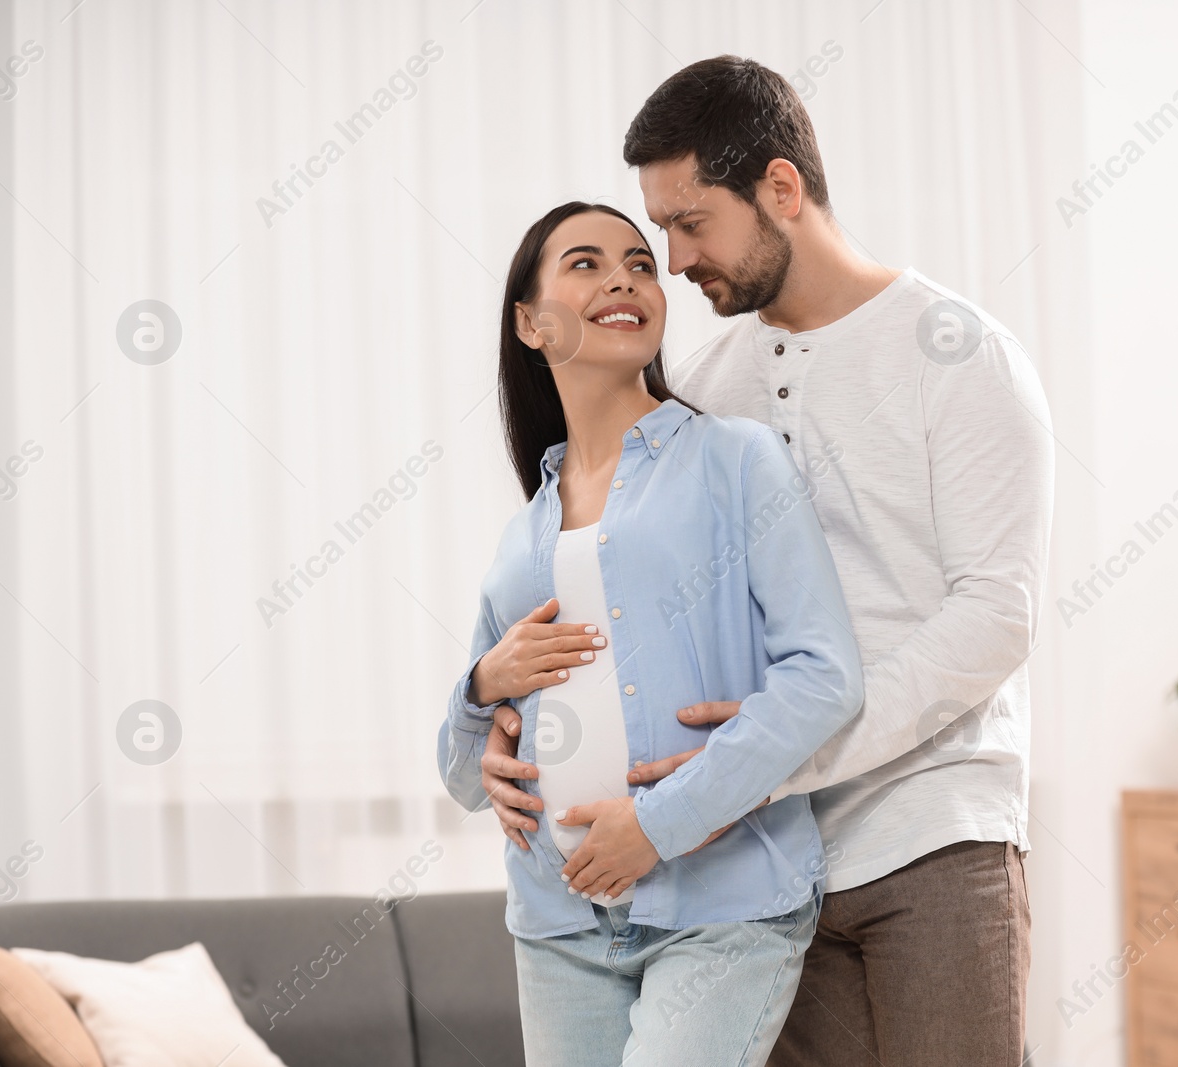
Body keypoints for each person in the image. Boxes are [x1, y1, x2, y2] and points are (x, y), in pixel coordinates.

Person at [483, 57, 1056, 1065]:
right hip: (760, 866)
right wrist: (504, 717)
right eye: (659, 228)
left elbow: (995, 616)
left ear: (780, 190)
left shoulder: (956, 352)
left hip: (931, 830)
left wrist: (773, 759)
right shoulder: (712, 383)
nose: (671, 257)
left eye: (689, 223)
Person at [436, 200, 865, 1066]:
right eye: (585, 264)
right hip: (557, 925)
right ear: (529, 320)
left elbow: (825, 674)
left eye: (638, 261)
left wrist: (660, 823)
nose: (625, 277)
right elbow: (464, 780)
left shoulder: (734, 460)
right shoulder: (523, 536)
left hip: (722, 905)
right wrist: (481, 689)